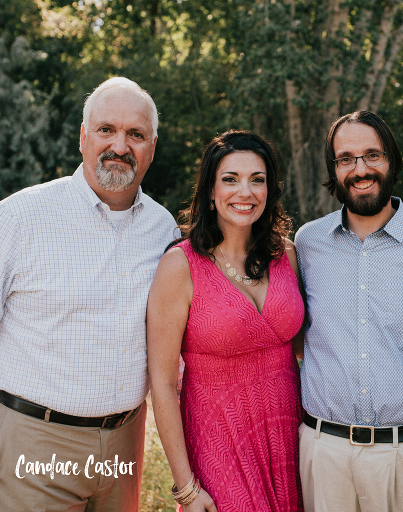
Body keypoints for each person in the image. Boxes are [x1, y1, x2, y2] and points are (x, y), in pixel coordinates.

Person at [0, 77, 177, 511]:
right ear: (83, 137)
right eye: (106, 130)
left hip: (124, 445)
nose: (120, 145)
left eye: (135, 134)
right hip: (34, 441)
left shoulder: (163, 230)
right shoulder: (20, 217)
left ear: (152, 145)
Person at [294, 110, 403, 512]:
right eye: (345, 158)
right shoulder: (307, 244)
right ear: (334, 171)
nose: (360, 169)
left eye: (372, 155)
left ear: (392, 161)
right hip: (323, 454)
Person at [147, 130, 304, 512]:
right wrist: (186, 487)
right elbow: (163, 384)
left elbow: (306, 352)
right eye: (230, 179)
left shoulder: (288, 255)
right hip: (220, 442)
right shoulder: (179, 266)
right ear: (211, 192)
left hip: (291, 440)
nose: (245, 192)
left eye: (258, 179)